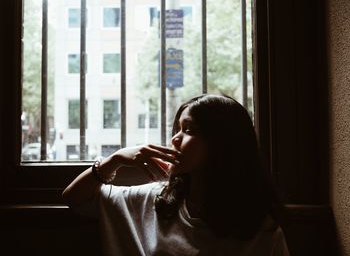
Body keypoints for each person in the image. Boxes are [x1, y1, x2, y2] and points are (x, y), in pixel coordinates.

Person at [62, 94, 290, 256]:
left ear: (222, 144)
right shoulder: (156, 200)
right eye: (177, 129)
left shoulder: (262, 231)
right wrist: (116, 159)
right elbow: (74, 198)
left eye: (189, 130)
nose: (175, 139)